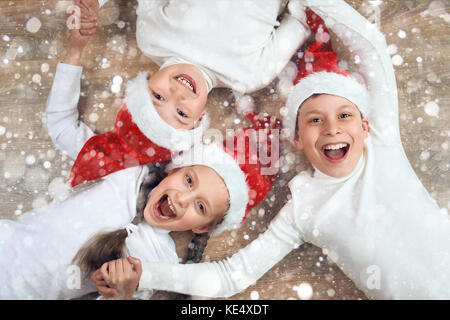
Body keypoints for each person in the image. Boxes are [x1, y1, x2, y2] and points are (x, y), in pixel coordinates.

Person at [93, 2, 450, 300]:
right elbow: (231, 275)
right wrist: (148, 275)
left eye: (344, 116)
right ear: (297, 138)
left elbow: (371, 43)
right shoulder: (303, 210)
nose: (332, 128)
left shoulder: (383, 141)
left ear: (365, 125)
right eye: (314, 120)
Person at [0, 14, 281, 299]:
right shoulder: (125, 169)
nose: (182, 199)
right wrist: (75, 49)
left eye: (200, 207)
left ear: (202, 227)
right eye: (188, 180)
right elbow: (61, 126)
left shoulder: (159, 265)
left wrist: (120, 296)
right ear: (173, 170)